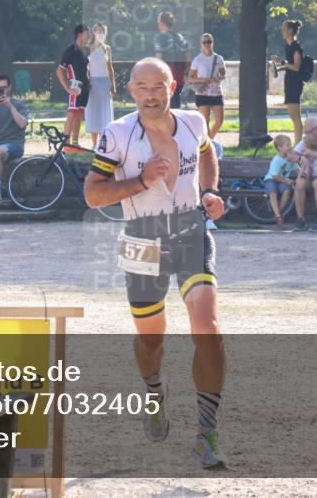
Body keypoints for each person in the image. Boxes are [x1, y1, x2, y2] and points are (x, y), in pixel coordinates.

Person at [84, 57, 228, 471]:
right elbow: (93, 195)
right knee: (151, 339)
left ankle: (206, 433)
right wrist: (142, 181)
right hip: (140, 237)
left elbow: (206, 155)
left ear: (173, 86)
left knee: (208, 328)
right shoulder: (117, 135)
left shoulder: (194, 123)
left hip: (189, 230)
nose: (151, 95)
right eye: (142, 87)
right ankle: (153, 390)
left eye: (158, 86)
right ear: (131, 91)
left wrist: (211, 191)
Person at [272, 19, 305, 146]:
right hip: (290, 81)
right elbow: (290, 66)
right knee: (293, 115)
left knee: (295, 116)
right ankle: (298, 143)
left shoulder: (296, 47)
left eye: (284, 29)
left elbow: (296, 67)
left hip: (295, 83)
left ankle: (298, 144)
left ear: (290, 31)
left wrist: (281, 62)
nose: (282, 31)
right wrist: (278, 67)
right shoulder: (288, 47)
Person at [57, 24, 90, 148]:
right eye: (87, 33)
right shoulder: (70, 50)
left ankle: (75, 144)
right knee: (71, 113)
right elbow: (59, 71)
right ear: (80, 34)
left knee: (79, 114)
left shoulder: (86, 50)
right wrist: (68, 89)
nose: (89, 36)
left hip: (85, 89)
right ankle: (65, 144)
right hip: (75, 87)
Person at [188, 33, 226, 139]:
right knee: (205, 121)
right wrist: (202, 79)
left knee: (219, 120)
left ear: (212, 43)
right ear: (201, 44)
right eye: (204, 42)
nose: (206, 44)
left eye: (209, 42)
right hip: (203, 92)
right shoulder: (198, 59)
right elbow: (190, 78)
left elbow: (223, 74)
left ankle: (210, 141)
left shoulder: (218, 58)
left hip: (216, 92)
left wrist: (219, 77)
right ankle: (208, 146)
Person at [85, 22, 116, 148]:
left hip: (104, 82)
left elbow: (110, 67)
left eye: (102, 31)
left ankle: (104, 142)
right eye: (98, 31)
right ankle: (93, 143)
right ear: (93, 32)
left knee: (104, 111)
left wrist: (113, 84)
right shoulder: (88, 47)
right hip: (92, 81)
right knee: (93, 111)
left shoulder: (107, 48)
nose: (100, 33)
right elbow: (85, 66)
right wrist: (86, 81)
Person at [153, 10, 191, 109]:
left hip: (166, 77)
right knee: (176, 103)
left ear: (161, 23)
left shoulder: (162, 37)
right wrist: (185, 73)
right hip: (179, 77)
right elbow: (188, 58)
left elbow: (159, 59)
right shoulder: (181, 38)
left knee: (165, 105)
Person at [263, 134, 298, 225]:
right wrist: (287, 181)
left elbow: (298, 170)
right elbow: (275, 176)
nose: (290, 147)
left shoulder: (290, 158)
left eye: (290, 145)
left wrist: (302, 175)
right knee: (272, 193)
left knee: (287, 191)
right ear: (279, 147)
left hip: (282, 180)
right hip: (271, 179)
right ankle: (278, 215)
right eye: (287, 145)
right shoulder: (277, 160)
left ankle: (278, 212)